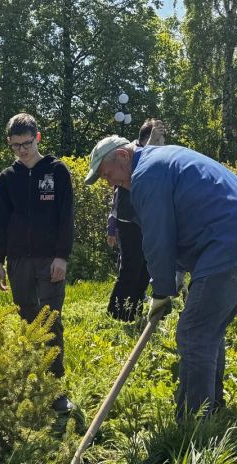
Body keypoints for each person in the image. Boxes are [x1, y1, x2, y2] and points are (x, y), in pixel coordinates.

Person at [85, 135, 237, 421]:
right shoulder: (159, 161)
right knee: (207, 328)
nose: (109, 182)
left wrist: (161, 292)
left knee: (194, 331)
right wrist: (172, 279)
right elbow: (179, 228)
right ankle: (211, 411)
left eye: (107, 173)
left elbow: (158, 238)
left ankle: (192, 424)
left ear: (124, 157)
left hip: (233, 241)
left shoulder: (146, 176)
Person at [0, 113, 74, 413]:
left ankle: (56, 389)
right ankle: (32, 384)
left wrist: (62, 256)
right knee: (27, 320)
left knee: (51, 321)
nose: (22, 151)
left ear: (37, 138)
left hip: (50, 260)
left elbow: (66, 217)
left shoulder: (57, 171)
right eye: (15, 146)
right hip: (18, 262)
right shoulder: (8, 178)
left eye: (26, 144)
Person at [105, 119, 166, 321]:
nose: (163, 142)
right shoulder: (129, 156)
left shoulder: (154, 156)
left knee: (144, 268)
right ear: (148, 137)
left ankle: (134, 312)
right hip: (128, 220)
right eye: (160, 137)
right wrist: (111, 227)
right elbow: (116, 196)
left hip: (145, 220)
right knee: (130, 267)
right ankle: (117, 313)